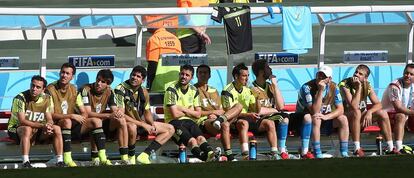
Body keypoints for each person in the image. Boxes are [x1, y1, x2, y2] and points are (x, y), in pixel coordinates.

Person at [114, 65, 175, 164]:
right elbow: (121, 115)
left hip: (140, 124)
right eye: (133, 75)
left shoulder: (144, 91)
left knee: (170, 129)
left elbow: (147, 112)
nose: (134, 77)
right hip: (124, 125)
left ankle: (145, 155)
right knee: (132, 126)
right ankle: (131, 158)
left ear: (143, 80)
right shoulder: (120, 89)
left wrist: (151, 124)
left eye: (138, 76)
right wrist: (143, 124)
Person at [219, 63, 278, 160]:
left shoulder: (247, 89)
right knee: (244, 123)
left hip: (249, 117)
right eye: (244, 76)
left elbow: (257, 110)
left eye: (248, 76)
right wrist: (248, 114)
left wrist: (257, 97)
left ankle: (275, 152)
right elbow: (228, 112)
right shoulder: (227, 90)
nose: (247, 79)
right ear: (236, 76)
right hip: (235, 119)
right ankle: (245, 153)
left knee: (270, 123)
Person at [292, 65, 349, 158]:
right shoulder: (307, 87)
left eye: (323, 76)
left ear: (329, 79)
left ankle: (344, 152)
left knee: (343, 118)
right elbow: (314, 111)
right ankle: (317, 152)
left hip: (324, 120)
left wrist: (327, 117)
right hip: (304, 123)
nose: (320, 78)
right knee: (316, 117)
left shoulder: (334, 87)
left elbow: (341, 109)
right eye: (319, 75)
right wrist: (320, 91)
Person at [7, 75, 64, 168]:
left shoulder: (47, 98)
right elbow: (22, 121)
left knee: (56, 128)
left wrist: (49, 125)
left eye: (38, 87)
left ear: (43, 89)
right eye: (32, 85)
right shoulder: (20, 98)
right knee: (27, 129)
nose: (34, 89)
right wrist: (42, 126)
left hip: (37, 129)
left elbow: (49, 117)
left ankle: (60, 161)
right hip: (16, 129)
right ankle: (25, 162)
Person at [339, 64, 396, 156]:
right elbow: (353, 106)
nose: (356, 75)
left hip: (361, 119)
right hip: (346, 120)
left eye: (360, 74)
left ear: (365, 78)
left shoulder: (367, 85)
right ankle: (356, 148)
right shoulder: (344, 84)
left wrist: (370, 112)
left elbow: (379, 104)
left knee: (382, 113)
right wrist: (358, 88)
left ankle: (390, 147)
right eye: (356, 72)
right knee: (356, 111)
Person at [163, 64, 217, 162]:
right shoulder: (171, 89)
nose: (184, 76)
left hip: (190, 122)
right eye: (182, 74)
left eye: (187, 75)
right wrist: (190, 110)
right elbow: (175, 114)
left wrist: (182, 109)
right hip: (174, 123)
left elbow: (198, 114)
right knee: (192, 141)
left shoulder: (193, 90)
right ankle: (206, 158)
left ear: (191, 77)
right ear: (179, 74)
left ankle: (210, 153)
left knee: (200, 138)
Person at [78, 69, 129, 165]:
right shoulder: (85, 89)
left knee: (121, 120)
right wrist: (108, 115)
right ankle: (95, 158)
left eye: (103, 82)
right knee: (95, 121)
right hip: (83, 123)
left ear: (108, 85)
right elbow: (87, 113)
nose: (99, 83)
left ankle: (124, 157)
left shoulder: (109, 92)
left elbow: (114, 109)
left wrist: (118, 113)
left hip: (100, 122)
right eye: (98, 80)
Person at [194, 64, 242, 161]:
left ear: (209, 75)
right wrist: (210, 113)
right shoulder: (193, 89)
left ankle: (220, 121)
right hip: (204, 121)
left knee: (239, 106)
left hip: (217, 119)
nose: (203, 75)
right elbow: (195, 113)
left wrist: (216, 114)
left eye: (205, 73)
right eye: (200, 73)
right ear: (197, 75)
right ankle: (230, 156)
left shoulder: (214, 90)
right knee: (225, 124)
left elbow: (222, 110)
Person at [46, 62, 86, 167]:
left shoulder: (74, 89)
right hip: (55, 125)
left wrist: (82, 118)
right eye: (62, 72)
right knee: (67, 121)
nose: (64, 75)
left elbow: (83, 111)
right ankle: (67, 158)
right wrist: (71, 116)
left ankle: (99, 158)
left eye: (67, 73)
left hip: (70, 125)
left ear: (72, 77)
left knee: (96, 122)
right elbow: (50, 114)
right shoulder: (50, 89)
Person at [250, 60, 290, 159]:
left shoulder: (271, 87)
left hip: (272, 118)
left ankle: (283, 150)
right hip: (257, 121)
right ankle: (280, 151)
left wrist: (275, 86)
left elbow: (281, 106)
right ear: (261, 72)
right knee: (283, 117)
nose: (271, 69)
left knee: (287, 117)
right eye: (268, 67)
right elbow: (257, 111)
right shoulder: (252, 88)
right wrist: (274, 110)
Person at [381, 63, 414, 153]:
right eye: (406, 73)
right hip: (386, 116)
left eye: (411, 74)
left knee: (403, 115)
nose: (408, 76)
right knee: (401, 115)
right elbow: (398, 108)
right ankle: (398, 148)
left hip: (406, 116)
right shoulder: (394, 86)